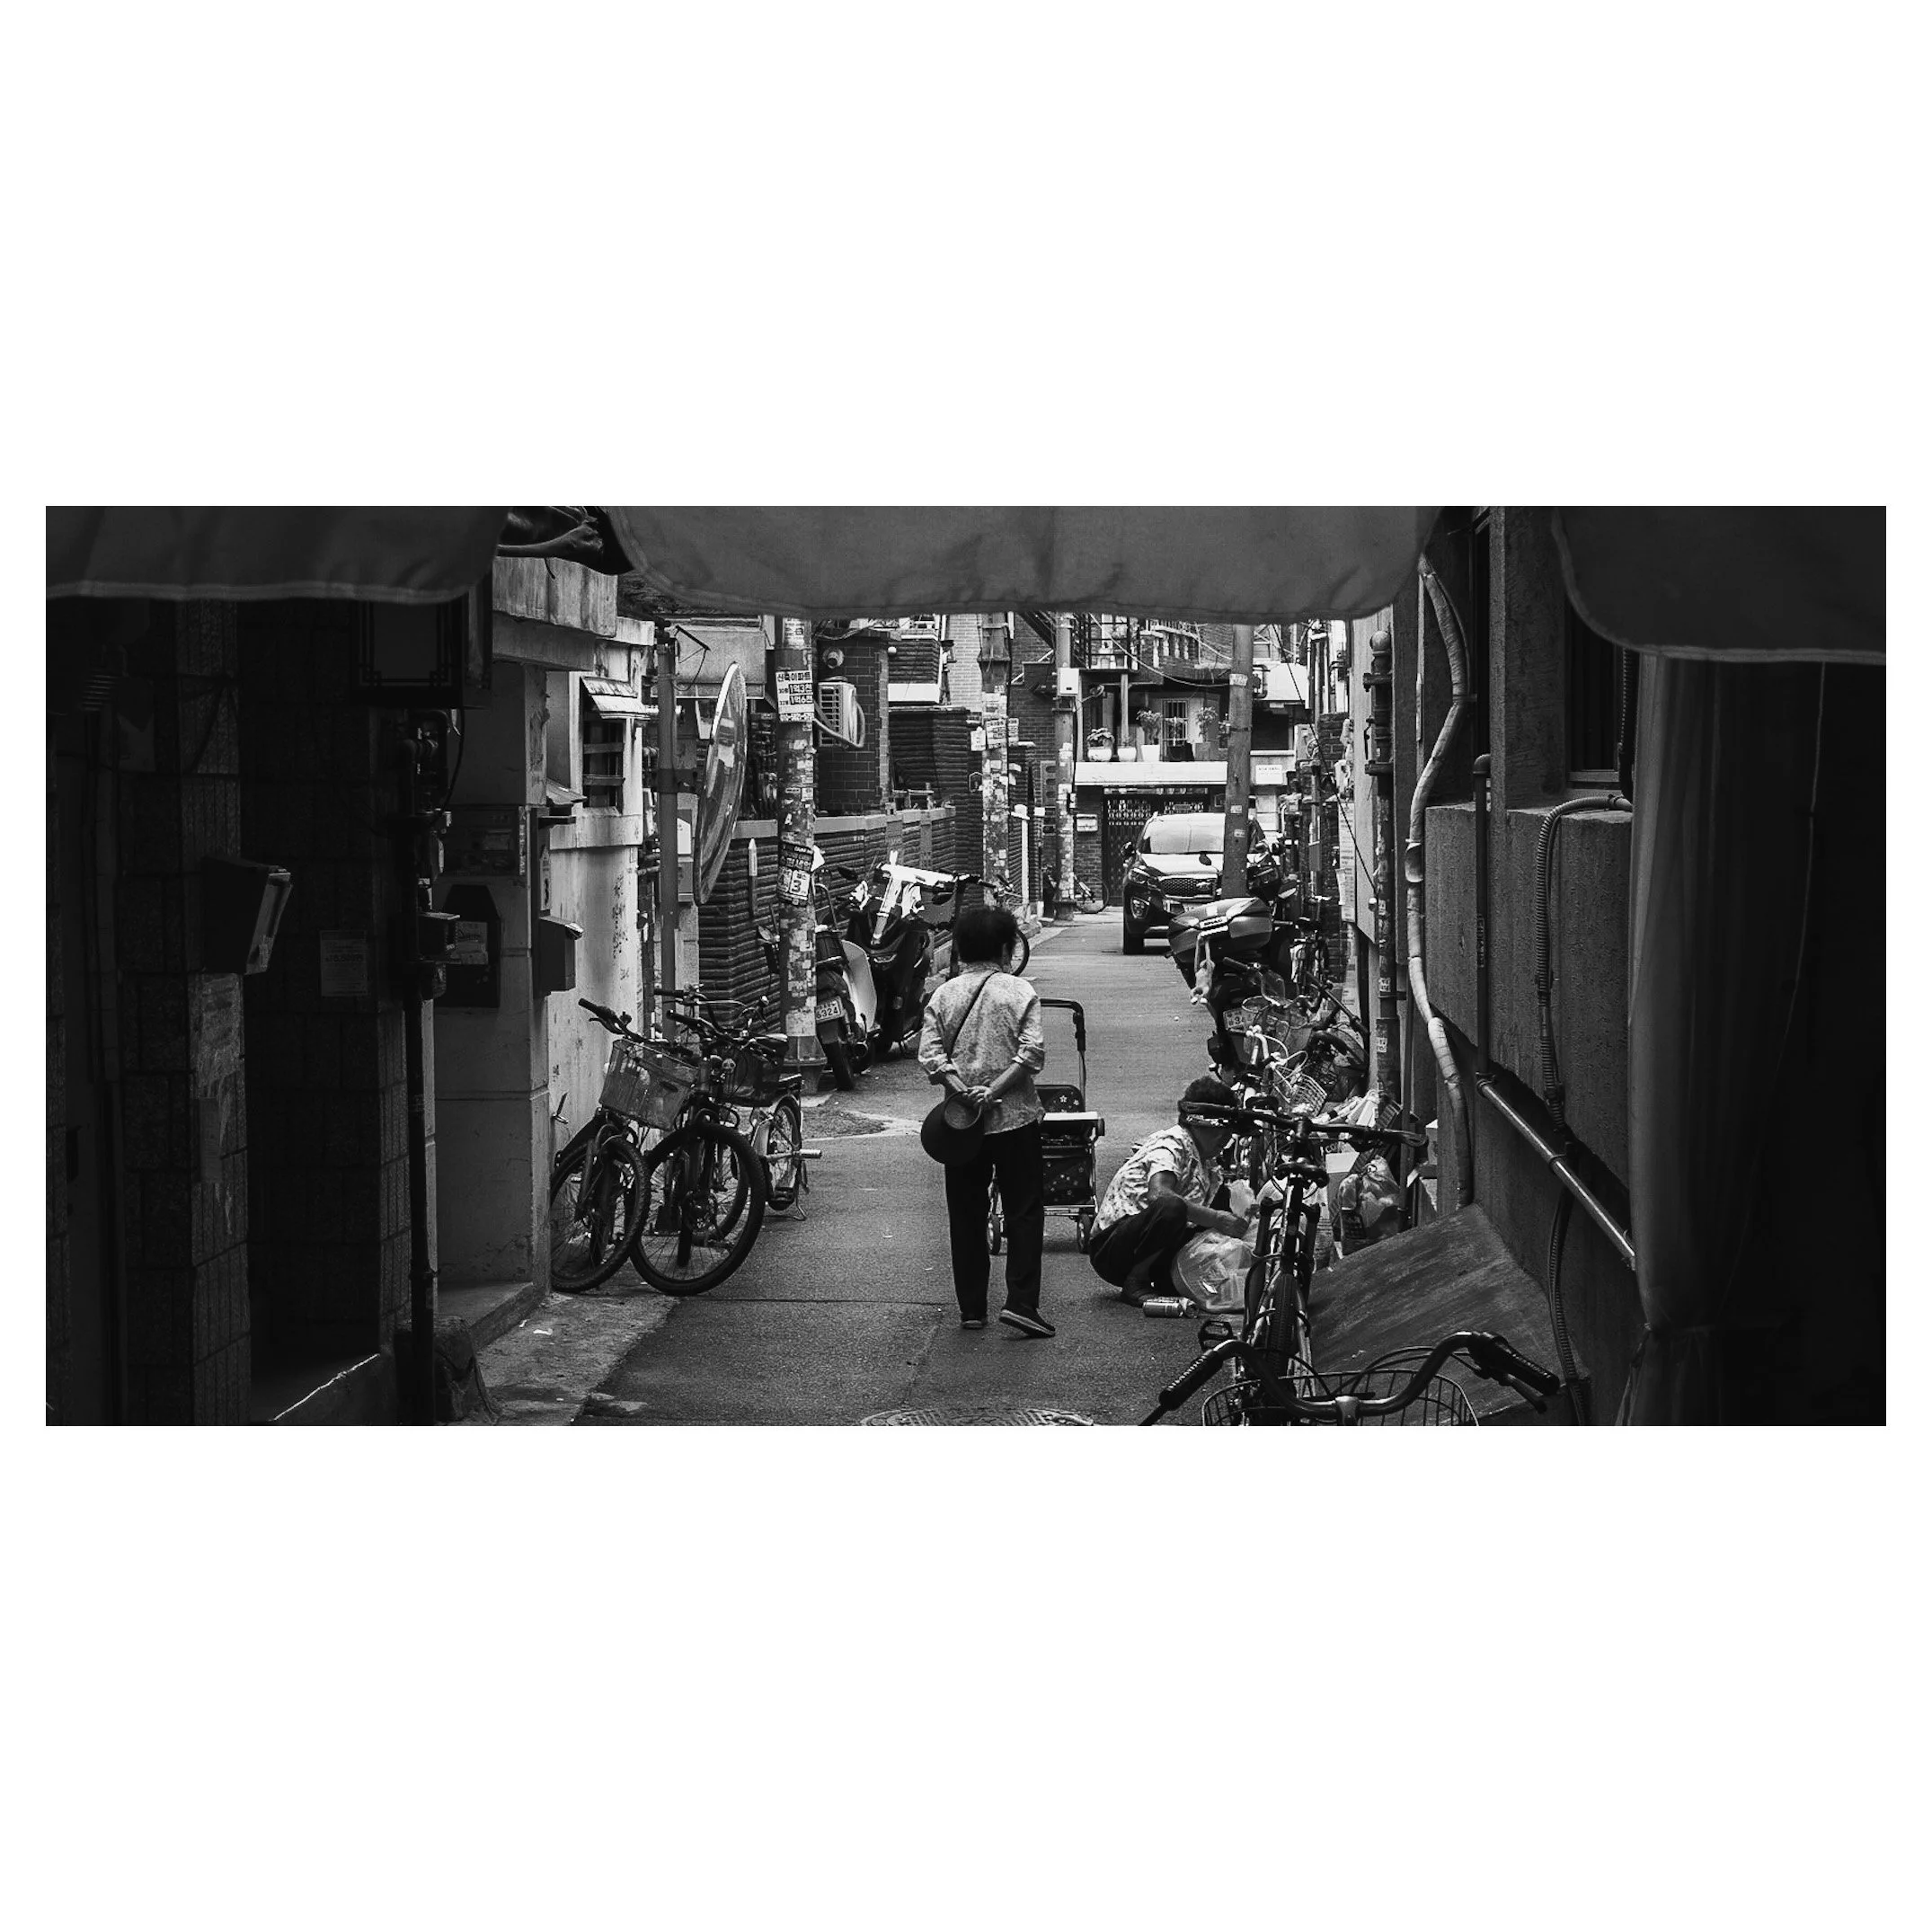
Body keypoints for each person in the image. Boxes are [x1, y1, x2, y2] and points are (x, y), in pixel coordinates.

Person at [917, 905, 1052, 1336]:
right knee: (1025, 1212)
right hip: (1015, 1120)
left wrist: (963, 1092)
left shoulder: (944, 994)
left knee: (966, 1214)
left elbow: (930, 1056)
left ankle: (972, 1308)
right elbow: (1032, 1055)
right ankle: (1021, 1304)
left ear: (959, 948)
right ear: (1005, 948)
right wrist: (993, 1093)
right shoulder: (1019, 992)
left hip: (961, 1125)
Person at [1088, 1075, 1250, 1305]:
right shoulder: (1171, 1143)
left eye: (1229, 1132)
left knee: (1222, 1198)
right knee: (1172, 1206)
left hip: (1147, 1242)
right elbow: (1159, 1195)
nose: (1226, 1138)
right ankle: (1136, 1279)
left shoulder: (1208, 1164)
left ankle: (1170, 1279)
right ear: (1196, 1125)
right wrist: (1217, 1218)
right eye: (1220, 1132)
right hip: (1112, 1249)